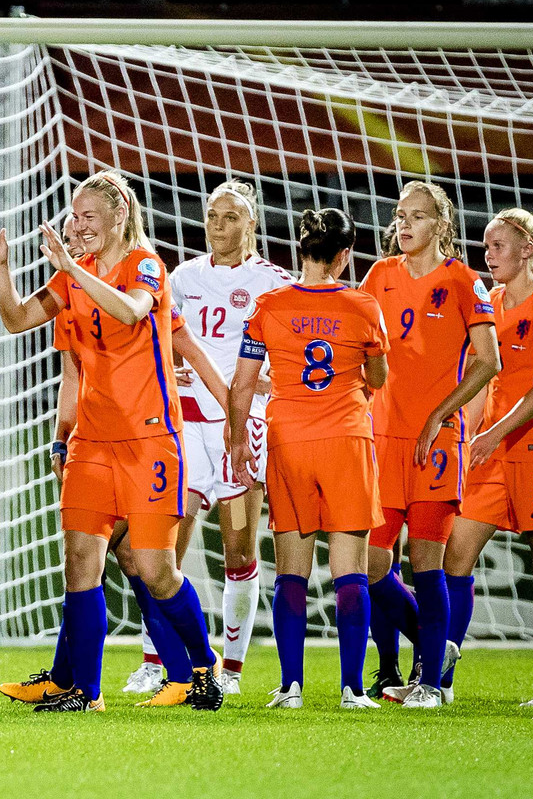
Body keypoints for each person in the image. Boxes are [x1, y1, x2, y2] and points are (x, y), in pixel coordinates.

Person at [0, 170, 224, 713]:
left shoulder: (146, 265)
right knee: (80, 562)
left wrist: (72, 271)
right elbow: (17, 318)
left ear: (119, 215)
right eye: (75, 216)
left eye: (90, 216)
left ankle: (204, 669)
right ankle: (84, 692)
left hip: (150, 440)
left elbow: (132, 310)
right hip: (92, 442)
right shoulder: (74, 277)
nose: (79, 226)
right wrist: (0, 268)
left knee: (156, 570)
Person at [228, 207, 389, 710]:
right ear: (344, 256)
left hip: (288, 440)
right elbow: (380, 379)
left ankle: (291, 686)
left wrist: (236, 443)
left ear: (301, 250)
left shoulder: (268, 305)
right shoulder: (364, 306)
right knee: (351, 570)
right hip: (346, 439)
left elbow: (241, 387)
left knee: (291, 571)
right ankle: (352, 689)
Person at [358, 181, 499, 708]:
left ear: (441, 225)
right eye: (399, 215)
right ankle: (434, 648)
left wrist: (441, 414)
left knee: (426, 563)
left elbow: (489, 361)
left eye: (417, 216)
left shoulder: (464, 281)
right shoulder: (380, 275)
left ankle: (432, 685)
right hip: (381, 436)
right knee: (372, 564)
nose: (404, 224)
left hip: (438, 441)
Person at [443, 208, 533, 708]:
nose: (489, 255)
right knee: (453, 560)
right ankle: (440, 681)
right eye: (485, 246)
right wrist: (467, 436)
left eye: (498, 245)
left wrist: (493, 434)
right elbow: (485, 379)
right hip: (490, 455)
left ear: (529, 249)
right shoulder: (492, 303)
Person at [165, 180, 296, 695]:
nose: (218, 226)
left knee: (239, 551)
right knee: (164, 548)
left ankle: (234, 672)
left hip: (242, 425)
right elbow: (165, 338)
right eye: (213, 217)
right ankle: (162, 664)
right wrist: (168, 371)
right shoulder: (183, 277)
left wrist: (267, 381)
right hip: (186, 424)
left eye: (231, 217)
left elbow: (299, 360)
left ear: (253, 223)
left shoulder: (276, 284)